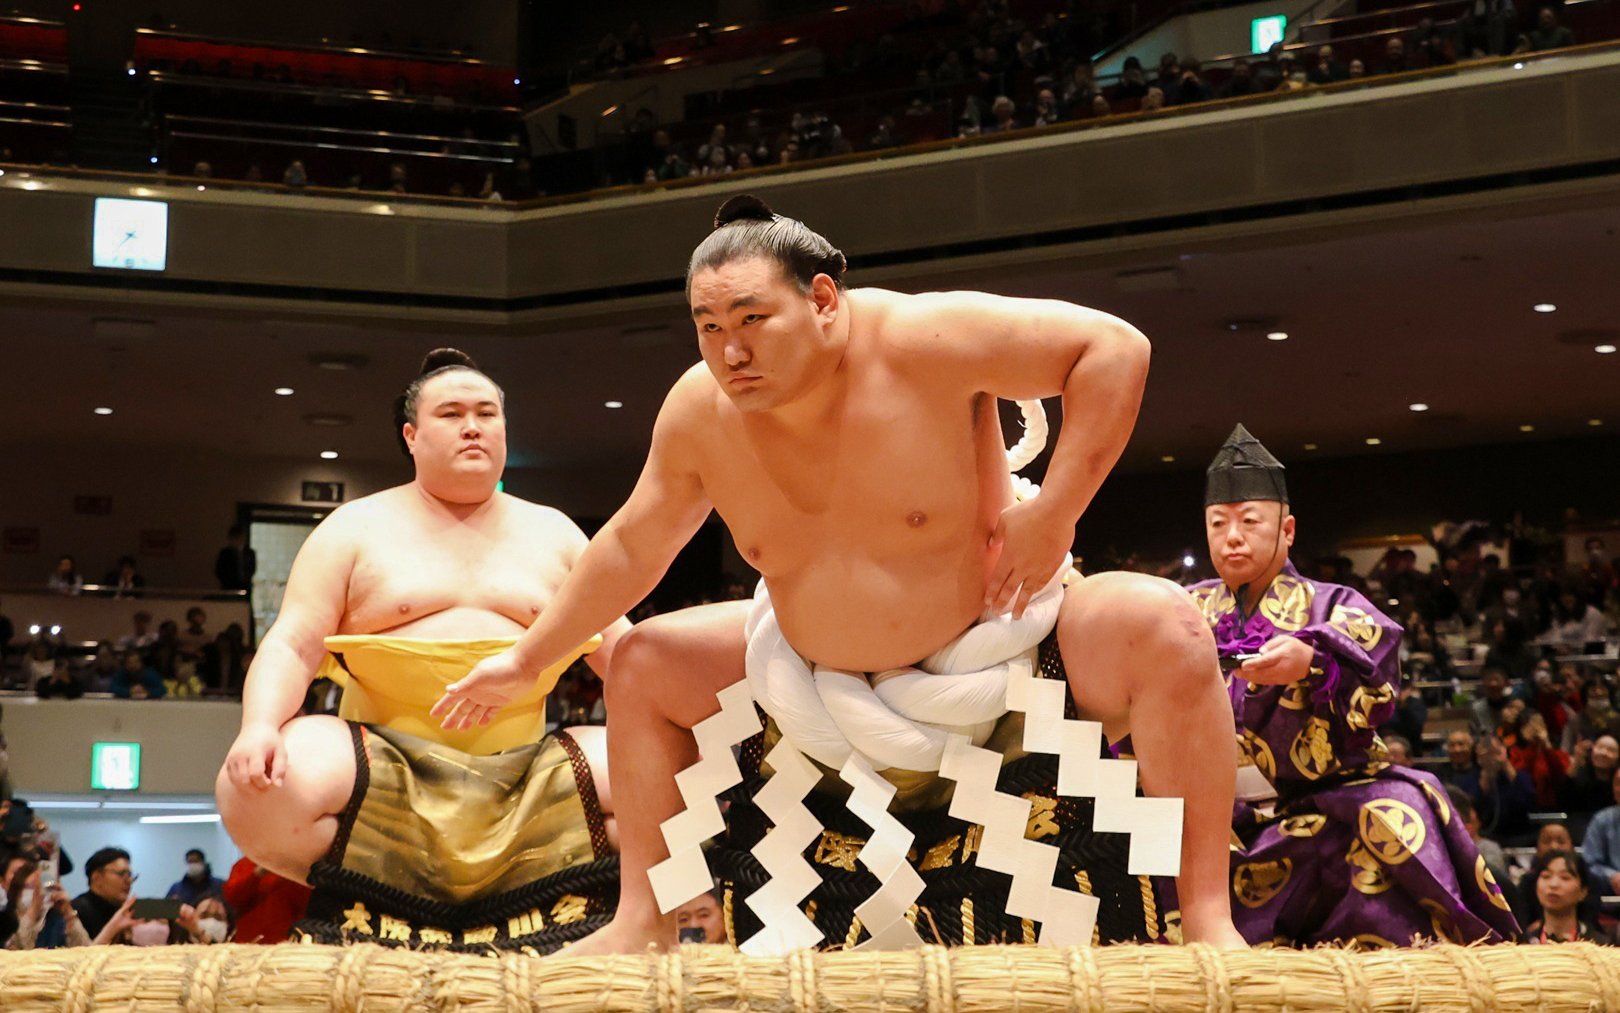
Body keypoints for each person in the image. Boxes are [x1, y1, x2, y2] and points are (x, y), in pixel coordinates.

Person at [436, 195, 1244, 953]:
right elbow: (631, 544)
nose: (731, 350)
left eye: (753, 319)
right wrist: (529, 658)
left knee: (1167, 625)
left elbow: (1114, 348)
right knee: (645, 661)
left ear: (822, 299)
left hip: (1003, 646)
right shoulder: (700, 410)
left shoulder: (926, 338)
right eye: (709, 326)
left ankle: (1207, 915)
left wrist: (1057, 510)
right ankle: (642, 919)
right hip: (809, 686)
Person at [216, 349, 629, 952]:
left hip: (528, 774)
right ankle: (389, 887)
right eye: (451, 414)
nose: (472, 427)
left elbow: (626, 656)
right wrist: (257, 727)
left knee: (667, 784)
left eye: (486, 413)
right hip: (380, 769)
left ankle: (540, 894)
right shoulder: (353, 528)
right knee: (259, 786)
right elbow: (293, 643)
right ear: (411, 436)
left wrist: (680, 740)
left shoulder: (557, 533)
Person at [1180, 425, 1517, 946]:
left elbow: (1376, 667)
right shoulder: (1180, 610)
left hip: (1321, 798)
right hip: (1210, 814)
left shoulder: (1333, 604)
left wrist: (1314, 661)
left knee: (1400, 808)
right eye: (1218, 523)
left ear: (1287, 530)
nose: (1233, 537)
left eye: (1249, 521)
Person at [1519, 849, 1609, 943]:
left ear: (1583, 891)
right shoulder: (1523, 944)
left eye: (1565, 878)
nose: (1553, 884)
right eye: (1546, 876)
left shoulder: (1600, 946)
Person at [222, 857, 311, 944]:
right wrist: (257, 873)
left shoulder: (299, 866)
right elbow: (233, 898)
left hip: (286, 942)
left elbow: (307, 904)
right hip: (249, 941)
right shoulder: (246, 863)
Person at [70, 847, 143, 944]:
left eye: (130, 875)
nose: (129, 881)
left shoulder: (123, 911)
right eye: (122, 874)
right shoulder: (76, 911)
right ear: (97, 878)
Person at [214, 526, 256, 592]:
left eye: (239, 538)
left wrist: (246, 579)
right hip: (229, 587)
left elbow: (252, 569)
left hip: (246, 586)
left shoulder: (249, 553)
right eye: (235, 538)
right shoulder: (225, 553)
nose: (238, 540)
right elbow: (219, 570)